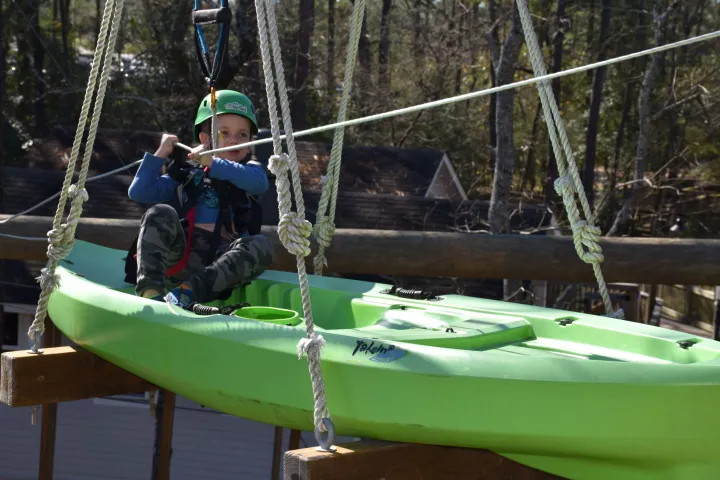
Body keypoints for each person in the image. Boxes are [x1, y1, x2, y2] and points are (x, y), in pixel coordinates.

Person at [125, 89, 274, 309]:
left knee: (261, 245)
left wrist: (214, 163)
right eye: (224, 132)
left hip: (219, 266)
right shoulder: (188, 172)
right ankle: (151, 292)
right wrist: (161, 154)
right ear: (204, 139)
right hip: (181, 254)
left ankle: (188, 292)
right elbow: (139, 192)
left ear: (250, 142)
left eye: (242, 135)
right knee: (159, 213)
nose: (234, 140)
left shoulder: (250, 171)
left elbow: (258, 183)